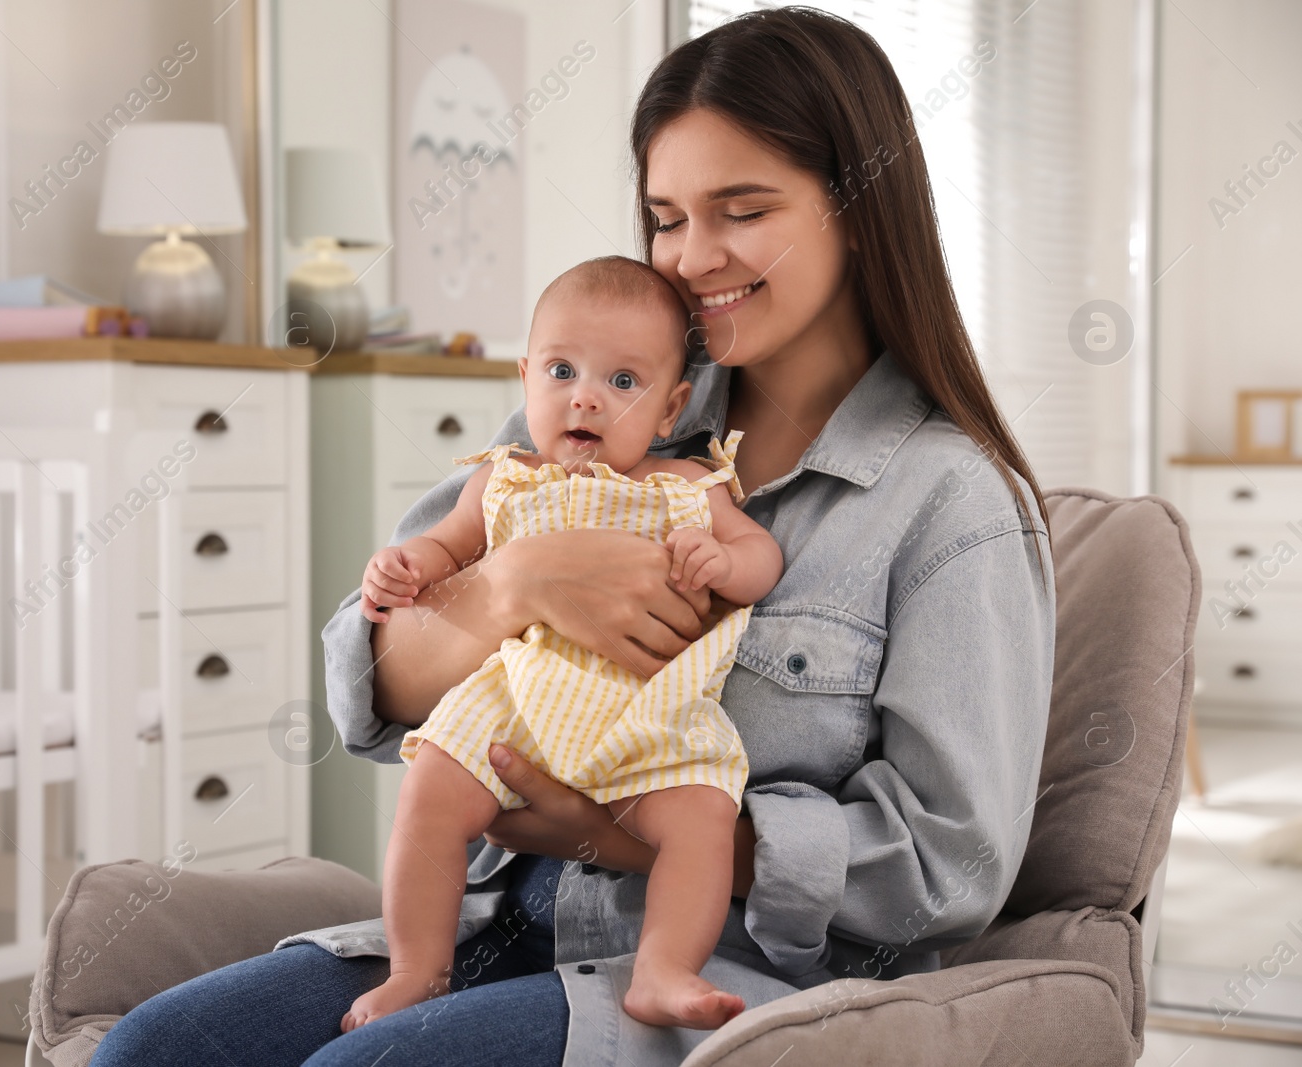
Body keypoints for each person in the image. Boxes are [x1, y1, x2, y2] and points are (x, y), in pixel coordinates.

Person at [89, 8, 1055, 1066]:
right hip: (492, 919)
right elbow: (368, 681)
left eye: (741, 210)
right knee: (151, 1050)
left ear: (860, 208)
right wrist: (512, 584)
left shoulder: (950, 503)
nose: (691, 258)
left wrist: (612, 832)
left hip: (724, 976)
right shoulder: (595, 407)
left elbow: (950, 868)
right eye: (665, 216)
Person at [346, 255, 784, 1033]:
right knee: (431, 788)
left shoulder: (688, 484)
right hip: (518, 697)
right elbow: (442, 552)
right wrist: (400, 566)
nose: (584, 395)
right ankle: (416, 968)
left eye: (623, 382)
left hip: (645, 716)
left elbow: (761, 557)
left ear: (671, 406)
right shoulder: (503, 479)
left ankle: (663, 966)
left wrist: (726, 561)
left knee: (701, 819)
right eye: (560, 369)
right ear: (525, 381)